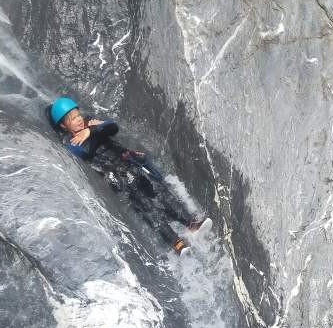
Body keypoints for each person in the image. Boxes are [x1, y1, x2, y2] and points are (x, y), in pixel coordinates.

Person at [46, 96, 212, 255]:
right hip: (115, 176)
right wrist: (93, 132)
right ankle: (176, 243)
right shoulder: (70, 142)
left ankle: (191, 224)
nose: (79, 119)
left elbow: (112, 127)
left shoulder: (88, 123)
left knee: (159, 191)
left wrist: (91, 130)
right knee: (145, 205)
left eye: (78, 115)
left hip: (128, 163)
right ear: (63, 126)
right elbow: (85, 151)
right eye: (73, 119)